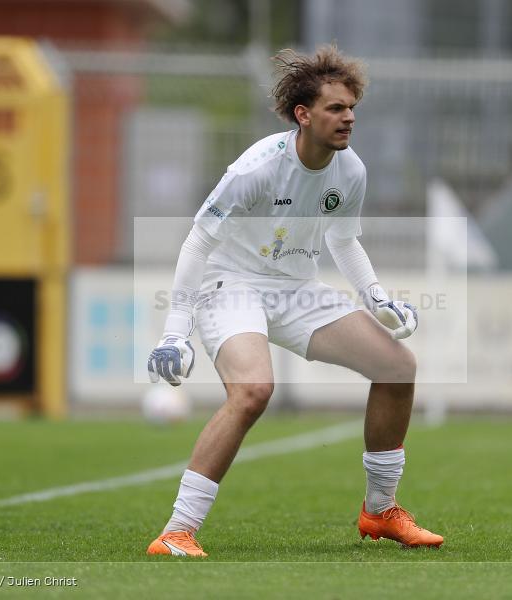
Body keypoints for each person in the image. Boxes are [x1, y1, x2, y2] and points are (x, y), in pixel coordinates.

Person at [146, 45, 443, 557]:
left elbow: (344, 241)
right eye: (335, 108)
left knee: (397, 366)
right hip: (231, 284)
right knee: (253, 390)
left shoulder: (350, 171)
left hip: (295, 288)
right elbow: (198, 241)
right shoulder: (256, 169)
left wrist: (377, 299)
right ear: (303, 115)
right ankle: (176, 530)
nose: (348, 117)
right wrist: (175, 330)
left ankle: (380, 510)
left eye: (352, 107)